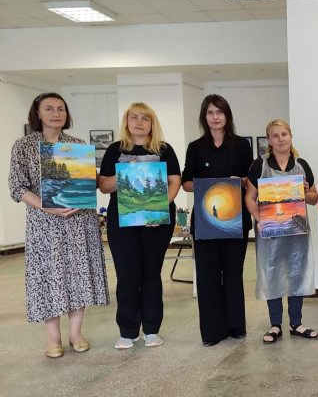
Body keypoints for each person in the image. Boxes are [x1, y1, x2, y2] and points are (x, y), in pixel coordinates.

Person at [8, 93, 109, 358]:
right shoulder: (24, 146)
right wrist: (46, 206)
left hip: (79, 221)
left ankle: (76, 333)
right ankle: (53, 338)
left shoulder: (77, 145)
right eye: (49, 109)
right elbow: (17, 187)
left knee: (79, 274)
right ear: (38, 114)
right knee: (48, 276)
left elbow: (89, 181)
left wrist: (88, 180)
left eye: (61, 109)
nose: (56, 113)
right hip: (44, 223)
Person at [99, 102, 181, 349]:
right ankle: (128, 331)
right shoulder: (115, 150)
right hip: (122, 220)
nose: (139, 122)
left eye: (145, 118)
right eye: (134, 117)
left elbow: (174, 182)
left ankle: (152, 330)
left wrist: (158, 208)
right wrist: (126, 172)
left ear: (152, 124)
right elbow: (104, 186)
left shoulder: (164, 150)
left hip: (157, 220)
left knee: (151, 274)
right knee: (127, 275)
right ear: (126, 122)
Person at [182, 94, 253, 346]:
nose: (215, 117)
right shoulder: (195, 147)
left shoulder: (242, 146)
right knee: (208, 276)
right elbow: (186, 183)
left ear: (227, 115)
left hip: (235, 220)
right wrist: (206, 184)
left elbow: (251, 179)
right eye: (210, 112)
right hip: (205, 221)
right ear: (204, 117)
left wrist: (240, 181)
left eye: (219, 112)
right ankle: (212, 332)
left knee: (233, 274)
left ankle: (235, 326)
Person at [244, 119, 318, 343]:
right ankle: (275, 325)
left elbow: (314, 198)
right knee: (272, 271)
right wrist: (261, 219)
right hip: (270, 231)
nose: (281, 139)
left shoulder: (302, 165)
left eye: (284, 134)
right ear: (269, 140)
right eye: (275, 135)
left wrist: (306, 192)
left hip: (297, 230)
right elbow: (249, 198)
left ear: (290, 136)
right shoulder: (259, 166)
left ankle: (296, 323)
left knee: (297, 272)